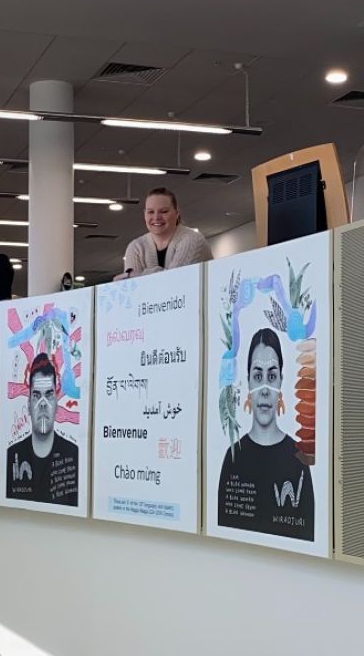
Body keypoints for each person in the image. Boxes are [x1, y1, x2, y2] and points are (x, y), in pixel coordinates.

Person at [217, 328, 314, 540]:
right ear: (248, 380)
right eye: (257, 375)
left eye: (271, 376)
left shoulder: (299, 458)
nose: (264, 388)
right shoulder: (233, 457)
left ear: (281, 381)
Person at [5, 353, 78, 506]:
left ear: (57, 403)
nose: (43, 404)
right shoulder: (12, 456)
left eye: (49, 395)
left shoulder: (73, 456)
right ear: (29, 404)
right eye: (37, 395)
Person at [119, 187, 211, 278]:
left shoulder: (193, 240)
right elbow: (134, 289)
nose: (156, 217)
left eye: (164, 211)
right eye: (150, 212)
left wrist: (136, 275)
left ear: (176, 213)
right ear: (144, 214)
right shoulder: (136, 247)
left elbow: (174, 279)